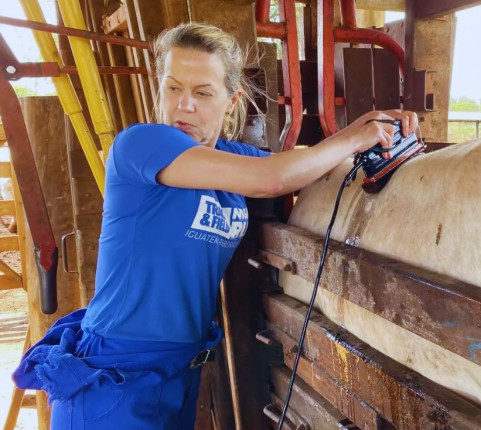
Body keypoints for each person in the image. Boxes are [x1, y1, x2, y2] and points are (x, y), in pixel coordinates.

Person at [13, 22, 418, 429]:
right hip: (115, 376)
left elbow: (297, 166)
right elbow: (274, 179)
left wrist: (366, 128)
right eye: (173, 88)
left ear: (231, 101)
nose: (184, 105)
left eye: (203, 93)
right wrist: (352, 139)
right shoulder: (142, 145)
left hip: (177, 372)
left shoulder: (232, 157)